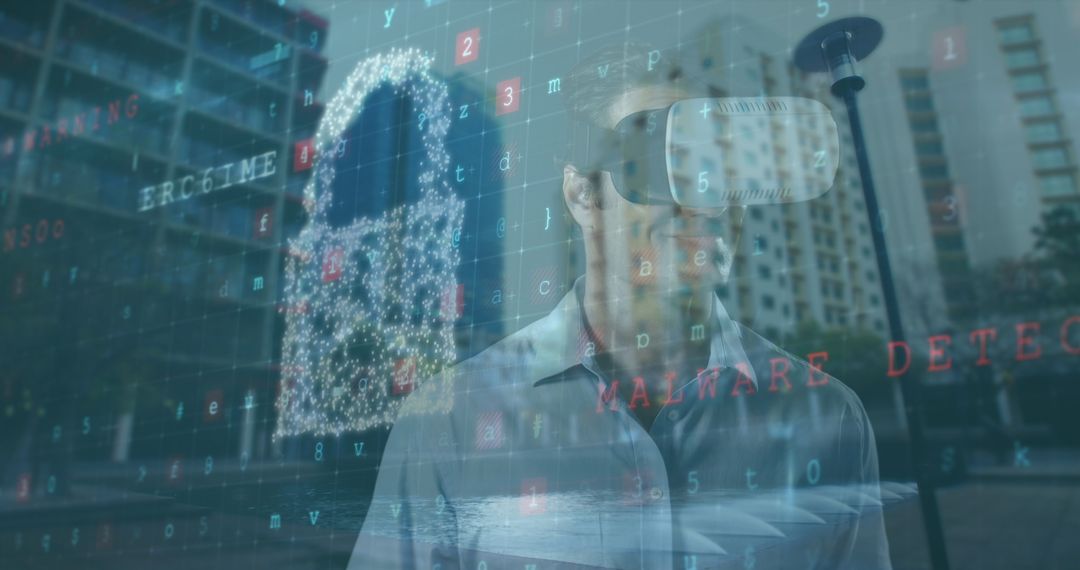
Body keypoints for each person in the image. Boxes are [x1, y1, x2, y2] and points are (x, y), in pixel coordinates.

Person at [348, 43, 892, 569]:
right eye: (661, 158)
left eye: (725, 166)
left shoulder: (828, 419)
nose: (704, 199)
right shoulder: (450, 422)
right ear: (584, 194)